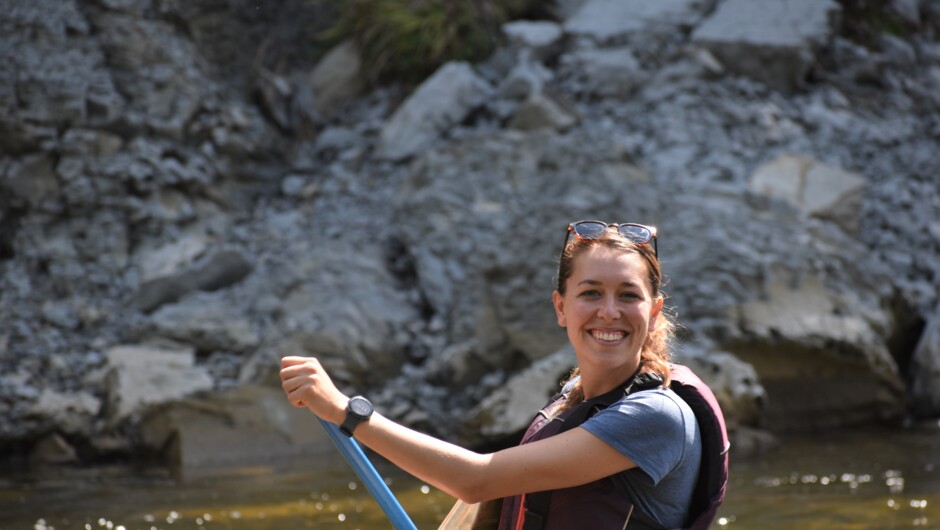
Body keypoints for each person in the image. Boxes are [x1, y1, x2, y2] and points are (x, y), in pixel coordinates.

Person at [280, 221, 702, 529]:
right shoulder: (573, 400)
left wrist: (346, 413)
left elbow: (476, 480)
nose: (608, 311)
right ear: (560, 307)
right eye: (590, 292)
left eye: (628, 295)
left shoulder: (655, 417)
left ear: (653, 311)